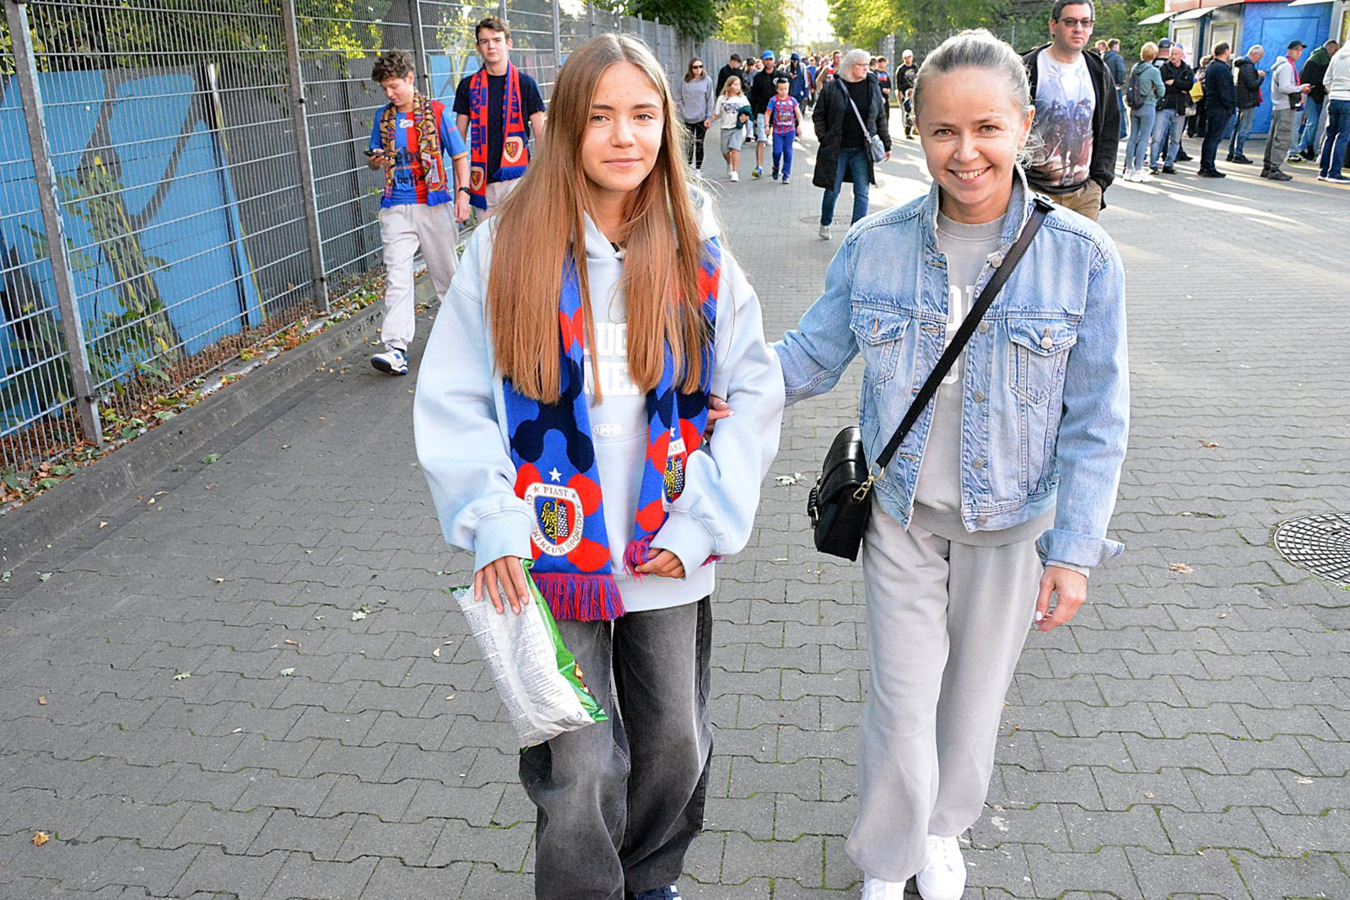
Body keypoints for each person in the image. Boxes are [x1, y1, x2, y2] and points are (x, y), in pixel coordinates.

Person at [413, 33, 784, 900]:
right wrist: (491, 519)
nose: (625, 136)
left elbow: (753, 388)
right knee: (576, 761)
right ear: (567, 126)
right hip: (547, 553)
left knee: (675, 741)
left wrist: (703, 521)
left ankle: (649, 878)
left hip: (665, 544)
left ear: (667, 124)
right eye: (602, 116)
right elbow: (455, 396)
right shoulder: (505, 248)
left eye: (644, 115)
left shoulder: (697, 246)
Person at [775, 29, 1128, 900]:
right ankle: (889, 858)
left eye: (986, 129)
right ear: (918, 130)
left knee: (969, 709)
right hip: (901, 517)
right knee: (902, 705)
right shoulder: (875, 245)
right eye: (942, 131)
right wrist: (699, 379)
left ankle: (939, 831)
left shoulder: (1082, 256)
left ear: (1023, 126)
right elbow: (808, 358)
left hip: (1011, 527)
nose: (965, 152)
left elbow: (1097, 417)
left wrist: (1075, 552)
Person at [365, 49, 471, 376]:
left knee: (446, 276)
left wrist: (463, 194)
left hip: (433, 204)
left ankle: (466, 338)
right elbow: (374, 160)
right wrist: (376, 160)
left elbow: (459, 155)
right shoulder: (383, 118)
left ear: (410, 79)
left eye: (394, 86)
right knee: (397, 277)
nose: (389, 93)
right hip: (395, 206)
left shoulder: (436, 113)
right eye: (384, 88)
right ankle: (395, 349)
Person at [1022, 0, 1121, 220]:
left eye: (1085, 22)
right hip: (1034, 192)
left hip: (1083, 196)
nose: (1078, 29)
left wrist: (1099, 181)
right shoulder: (1028, 68)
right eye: (1070, 22)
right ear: (1053, 25)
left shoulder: (1098, 71)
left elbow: (1110, 128)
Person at [453, 16, 547, 213]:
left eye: (497, 40)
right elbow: (458, 141)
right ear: (478, 47)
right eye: (484, 41)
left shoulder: (526, 84)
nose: (491, 46)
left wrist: (543, 180)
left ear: (508, 43)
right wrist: (461, 190)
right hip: (481, 182)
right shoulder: (467, 86)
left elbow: (541, 136)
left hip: (518, 180)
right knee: (486, 234)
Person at [812, 48, 891, 239]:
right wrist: (825, 138)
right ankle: (825, 223)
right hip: (837, 148)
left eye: (866, 64)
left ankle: (856, 232)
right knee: (832, 190)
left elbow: (880, 116)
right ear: (849, 66)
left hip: (862, 149)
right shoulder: (833, 88)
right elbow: (818, 115)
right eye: (860, 65)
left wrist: (886, 144)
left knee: (862, 192)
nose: (865, 68)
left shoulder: (872, 86)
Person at [1264, 40, 1311, 181]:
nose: (1299, 53)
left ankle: (1268, 167)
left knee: (1274, 137)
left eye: (1301, 50)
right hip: (1285, 105)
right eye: (1297, 50)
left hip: (1279, 105)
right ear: (1289, 50)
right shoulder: (1286, 67)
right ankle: (1275, 168)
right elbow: (1285, 87)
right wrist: (1300, 88)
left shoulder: (1282, 65)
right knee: (1282, 137)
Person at [1122, 42, 1165, 182]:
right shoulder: (1153, 71)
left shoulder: (1135, 68)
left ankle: (1128, 169)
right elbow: (1162, 91)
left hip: (1134, 105)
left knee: (1132, 138)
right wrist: (1154, 89)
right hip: (1148, 105)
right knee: (1144, 139)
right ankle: (1138, 169)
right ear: (1154, 55)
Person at [1150, 44, 1194, 176]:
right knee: (1157, 137)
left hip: (1179, 108)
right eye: (1172, 54)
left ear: (1181, 55)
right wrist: (1180, 88)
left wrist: (1174, 82)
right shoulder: (1163, 68)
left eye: (1176, 54)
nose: (1173, 57)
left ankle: (1169, 164)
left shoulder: (1187, 69)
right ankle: (1153, 164)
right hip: (1164, 106)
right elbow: (1162, 87)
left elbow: (1189, 86)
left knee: (1176, 138)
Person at [1295, 40, 1338, 162]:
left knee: (1312, 122)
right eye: (1335, 50)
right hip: (1312, 94)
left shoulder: (1316, 57)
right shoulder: (1321, 60)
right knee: (1313, 122)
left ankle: (1303, 147)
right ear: (1330, 49)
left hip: (1312, 93)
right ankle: (1305, 147)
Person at [1198, 43, 1236, 177]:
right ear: (1226, 52)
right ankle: (1209, 166)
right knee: (1214, 138)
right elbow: (1224, 90)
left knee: (1210, 137)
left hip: (1212, 105)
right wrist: (1230, 106)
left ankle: (1205, 165)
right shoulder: (1221, 68)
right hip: (1219, 107)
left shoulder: (1211, 66)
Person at [1317, 39, 1350, 183]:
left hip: (1333, 99)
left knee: (1330, 135)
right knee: (1342, 137)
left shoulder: (1337, 56)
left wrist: (1333, 91)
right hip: (1347, 99)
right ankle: (1334, 172)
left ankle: (1323, 171)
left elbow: (1326, 80)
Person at [1228, 45, 1266, 164]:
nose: (1259, 59)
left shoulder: (1240, 65)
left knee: (1237, 126)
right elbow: (1252, 85)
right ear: (1254, 54)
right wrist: (1260, 77)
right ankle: (1238, 153)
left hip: (1240, 99)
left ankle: (1232, 152)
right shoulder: (1248, 67)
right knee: (1244, 128)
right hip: (1248, 100)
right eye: (1260, 56)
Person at [677, 57, 715, 172]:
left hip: (701, 118)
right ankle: (689, 165)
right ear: (691, 68)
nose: (698, 69)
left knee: (699, 143)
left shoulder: (707, 80)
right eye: (695, 67)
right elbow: (679, 97)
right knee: (688, 143)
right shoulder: (684, 81)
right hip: (687, 117)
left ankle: (698, 168)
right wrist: (683, 111)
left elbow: (710, 99)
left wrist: (709, 117)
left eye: (700, 67)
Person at [750, 51, 782, 177]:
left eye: (770, 59)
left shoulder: (780, 76)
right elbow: (754, 96)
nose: (768, 62)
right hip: (763, 111)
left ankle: (776, 166)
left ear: (774, 60)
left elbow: (787, 93)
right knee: (761, 139)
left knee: (777, 140)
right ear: (762, 61)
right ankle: (759, 167)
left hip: (778, 112)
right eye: (766, 59)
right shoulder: (758, 77)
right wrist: (753, 113)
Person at [715, 73, 752, 181]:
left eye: (739, 84)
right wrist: (709, 121)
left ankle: (735, 172)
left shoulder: (742, 98)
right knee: (725, 151)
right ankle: (729, 163)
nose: (738, 87)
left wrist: (745, 117)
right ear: (729, 85)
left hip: (737, 127)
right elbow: (717, 113)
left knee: (735, 149)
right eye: (735, 84)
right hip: (725, 127)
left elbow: (748, 110)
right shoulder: (722, 99)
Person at [767, 75, 803, 183]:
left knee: (788, 152)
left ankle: (786, 173)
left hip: (789, 131)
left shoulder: (792, 100)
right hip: (777, 131)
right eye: (781, 89)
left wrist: (800, 125)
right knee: (777, 152)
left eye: (785, 89)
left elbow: (798, 114)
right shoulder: (773, 100)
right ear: (777, 89)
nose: (783, 92)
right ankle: (776, 166)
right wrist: (767, 126)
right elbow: (767, 113)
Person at [1104, 39, 1128, 139]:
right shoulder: (1117, 58)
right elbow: (1121, 71)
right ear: (1116, 46)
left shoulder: (1103, 57)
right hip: (1115, 87)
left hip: (1105, 86)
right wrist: (1121, 81)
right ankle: (1121, 132)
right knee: (1119, 110)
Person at [898, 49, 920, 138]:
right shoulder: (901, 69)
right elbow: (898, 81)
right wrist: (900, 92)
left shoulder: (915, 68)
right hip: (906, 92)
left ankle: (915, 128)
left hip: (913, 91)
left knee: (916, 110)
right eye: (907, 57)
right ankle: (907, 130)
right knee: (908, 110)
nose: (909, 59)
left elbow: (918, 78)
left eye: (910, 57)